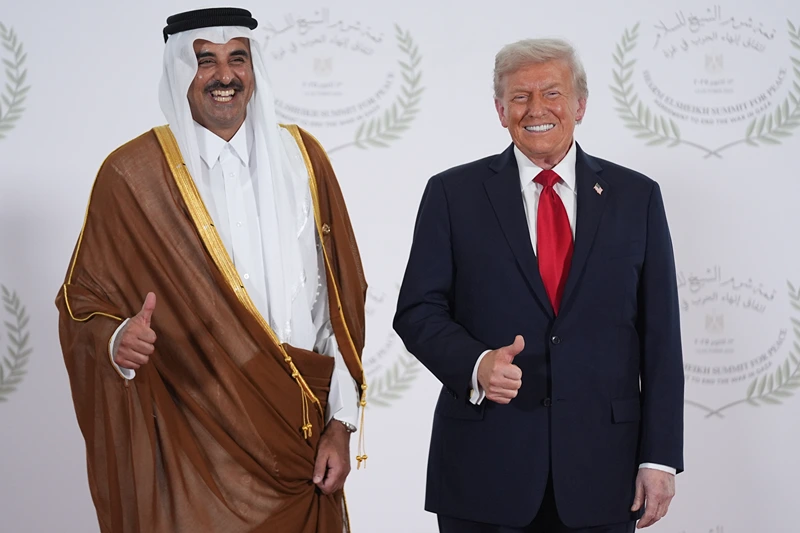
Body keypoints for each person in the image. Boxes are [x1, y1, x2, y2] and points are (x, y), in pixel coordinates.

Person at [55, 7, 368, 533]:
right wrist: (116, 342)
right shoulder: (133, 175)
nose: (225, 75)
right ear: (180, 70)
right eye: (206, 61)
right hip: (192, 438)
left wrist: (342, 422)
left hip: (298, 440)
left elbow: (337, 304)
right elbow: (81, 305)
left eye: (236, 59)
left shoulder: (304, 160)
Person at [393, 38, 684, 533]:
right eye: (520, 97)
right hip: (483, 470)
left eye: (552, 93)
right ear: (500, 110)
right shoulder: (452, 194)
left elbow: (661, 339)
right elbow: (418, 311)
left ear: (580, 105)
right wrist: (477, 364)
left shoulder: (637, 198)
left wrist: (659, 457)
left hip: (602, 473)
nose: (536, 109)